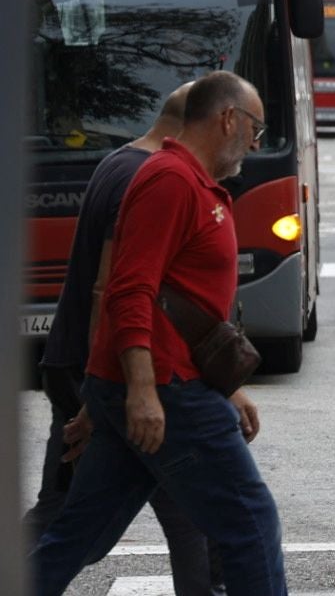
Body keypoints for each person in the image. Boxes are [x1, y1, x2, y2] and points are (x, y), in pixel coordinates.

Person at [30, 71, 286, 596]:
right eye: (255, 128)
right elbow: (127, 290)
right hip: (172, 392)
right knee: (250, 521)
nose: (256, 143)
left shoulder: (188, 179)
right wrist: (139, 391)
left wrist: (104, 394)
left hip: (158, 386)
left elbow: (174, 300)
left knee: (79, 536)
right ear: (228, 118)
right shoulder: (169, 179)